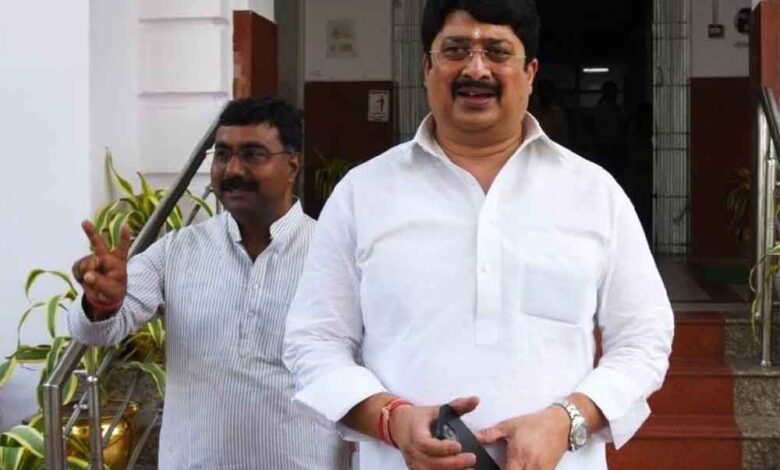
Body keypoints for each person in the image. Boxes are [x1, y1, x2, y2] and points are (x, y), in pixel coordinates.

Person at [283, 1, 673, 470]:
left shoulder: (593, 192)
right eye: (455, 50)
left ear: (530, 73)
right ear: (426, 67)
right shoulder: (362, 193)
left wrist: (569, 419)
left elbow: (644, 338)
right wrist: (391, 420)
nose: (476, 69)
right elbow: (314, 339)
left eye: (497, 51)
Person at [68, 97, 350, 470]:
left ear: (292, 165)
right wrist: (101, 303)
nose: (232, 169)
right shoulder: (177, 250)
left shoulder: (334, 254)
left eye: (252, 155)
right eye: (222, 154)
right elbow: (96, 332)